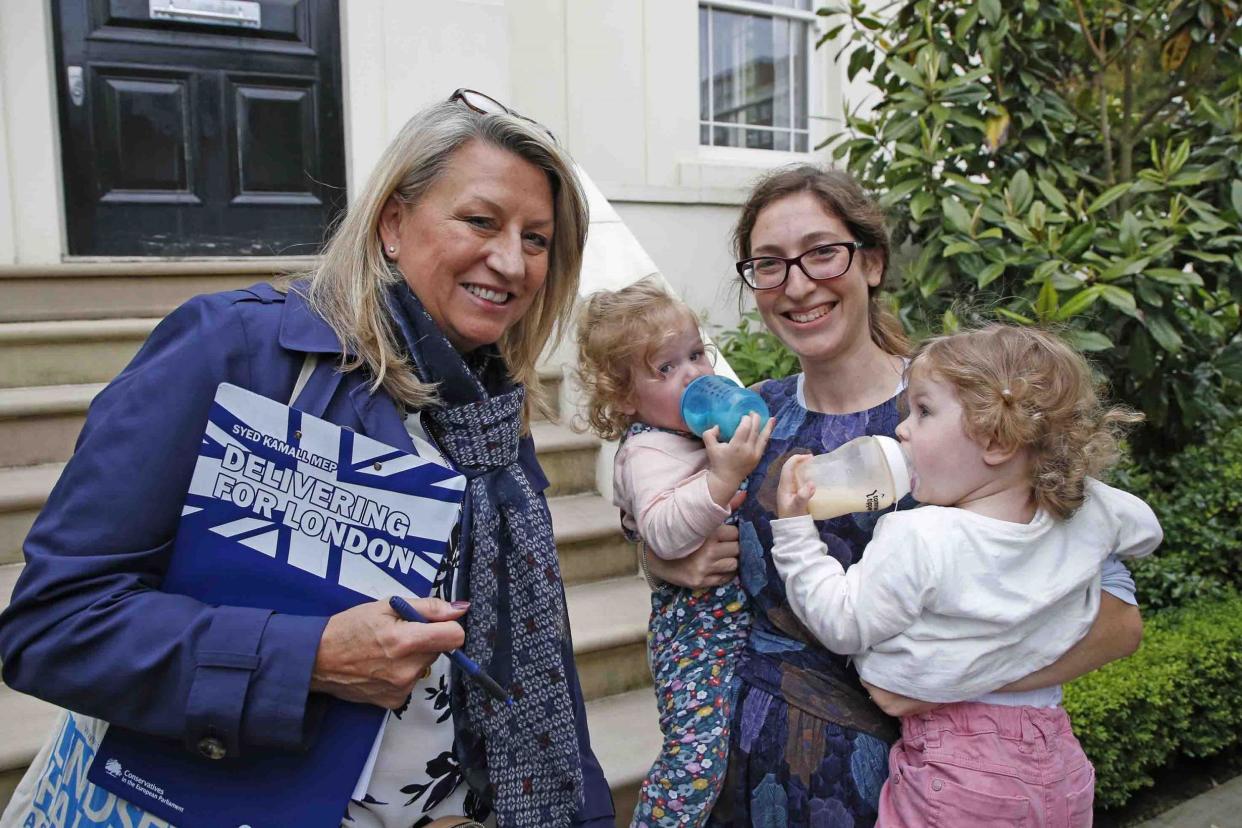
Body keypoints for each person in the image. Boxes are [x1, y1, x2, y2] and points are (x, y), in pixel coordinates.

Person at [0, 90, 613, 828]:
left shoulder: (488, 414)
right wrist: (312, 657)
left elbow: (530, 658)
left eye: (538, 238)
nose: (512, 261)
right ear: (393, 222)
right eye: (481, 221)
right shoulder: (236, 352)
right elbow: (54, 626)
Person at [643, 165, 1146, 826]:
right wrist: (661, 562)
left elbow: (1116, 621)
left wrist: (941, 680)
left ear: (871, 263)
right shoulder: (750, 418)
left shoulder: (965, 413)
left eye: (822, 252)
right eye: (769, 264)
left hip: (918, 781)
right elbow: (672, 524)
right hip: (752, 759)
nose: (797, 285)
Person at [772, 324, 1162, 826]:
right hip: (1057, 758)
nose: (902, 430)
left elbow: (843, 621)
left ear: (996, 439)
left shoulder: (918, 536)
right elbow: (1145, 531)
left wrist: (795, 534)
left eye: (924, 410)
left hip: (956, 768)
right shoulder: (1090, 512)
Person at [574, 278, 773, 827]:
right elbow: (661, 531)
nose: (694, 373)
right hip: (694, 631)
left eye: (695, 354)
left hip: (735, 623)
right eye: (666, 368)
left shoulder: (692, 435)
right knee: (696, 760)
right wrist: (722, 478)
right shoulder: (645, 450)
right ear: (623, 396)